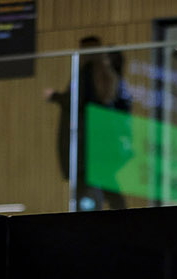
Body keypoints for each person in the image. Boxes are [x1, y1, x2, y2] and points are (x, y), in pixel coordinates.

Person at [45, 36, 130, 211]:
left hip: (87, 143)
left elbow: (76, 101)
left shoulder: (87, 73)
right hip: (103, 143)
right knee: (107, 185)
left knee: (87, 190)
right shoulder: (106, 74)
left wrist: (54, 96)